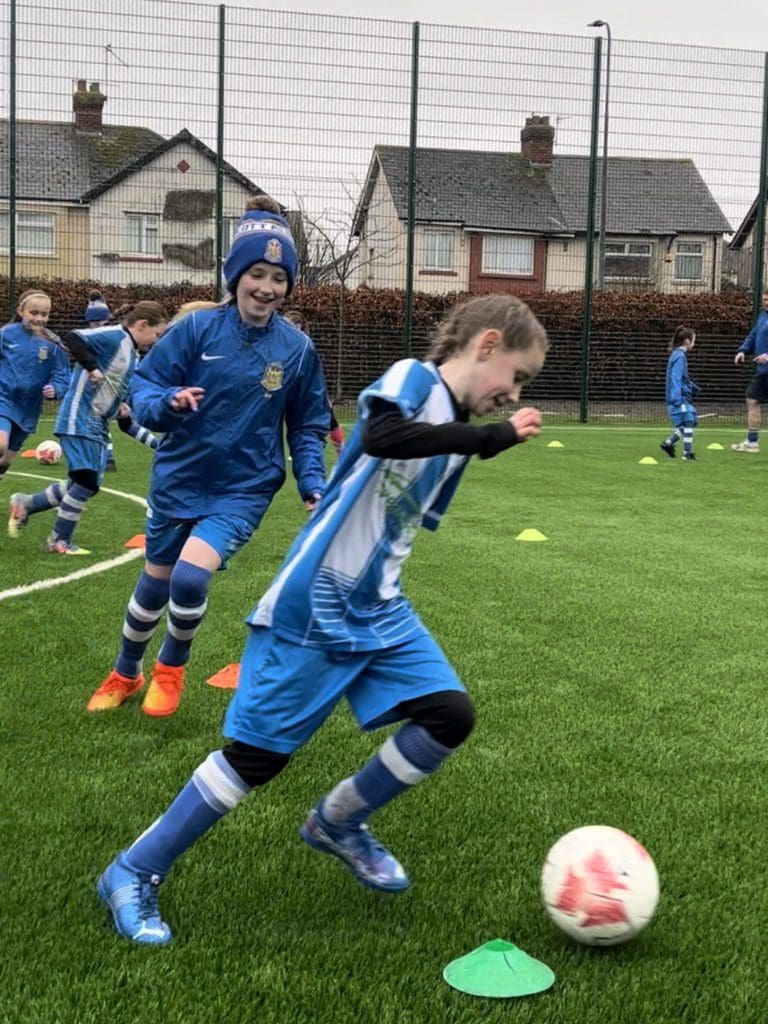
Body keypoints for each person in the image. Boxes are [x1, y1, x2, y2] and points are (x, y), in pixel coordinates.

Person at [95, 292, 548, 945]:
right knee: (254, 759)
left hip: (379, 605)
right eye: (518, 374)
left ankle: (336, 822)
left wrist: (480, 441)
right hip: (316, 602)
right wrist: (487, 439)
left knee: (450, 715)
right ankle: (132, 869)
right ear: (486, 346)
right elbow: (385, 436)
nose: (513, 393)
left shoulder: (456, 429)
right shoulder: (412, 379)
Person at [86, 195, 330, 720]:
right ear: (235, 274)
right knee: (154, 581)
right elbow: (145, 390)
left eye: (279, 277)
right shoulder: (194, 331)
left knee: (190, 578)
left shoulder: (297, 350)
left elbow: (308, 426)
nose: (266, 287)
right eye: (257, 273)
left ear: (289, 285)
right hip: (179, 476)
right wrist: (169, 406)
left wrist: (313, 483)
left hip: (244, 487)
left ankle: (170, 670)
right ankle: (126, 672)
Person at [8, 301, 168, 554]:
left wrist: (158, 445)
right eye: (157, 334)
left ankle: (27, 503)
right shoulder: (115, 336)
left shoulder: (132, 357)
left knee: (85, 484)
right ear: (142, 325)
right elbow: (74, 338)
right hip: (79, 418)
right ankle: (59, 540)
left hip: (97, 425)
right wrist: (92, 368)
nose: (156, 341)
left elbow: (126, 423)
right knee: (86, 481)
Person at [1, 290, 71, 510]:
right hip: (3, 398)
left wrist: (56, 388)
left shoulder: (52, 344)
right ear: (21, 311)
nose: (39, 318)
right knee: (0, 445)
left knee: (5, 462)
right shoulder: (7, 334)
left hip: (28, 409)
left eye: (44, 314)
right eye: (34, 313)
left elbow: (63, 375)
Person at [283, 307, 345, 456]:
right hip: (290, 391)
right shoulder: (282, 346)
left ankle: (342, 454)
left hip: (309, 392)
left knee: (328, 421)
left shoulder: (306, 347)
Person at [82, 291, 121, 471]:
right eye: (93, 320)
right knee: (97, 420)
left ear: (106, 319)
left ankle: (109, 458)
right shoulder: (87, 337)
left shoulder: (108, 337)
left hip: (107, 383)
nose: (97, 323)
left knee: (99, 419)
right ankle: (106, 457)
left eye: (100, 320)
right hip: (94, 384)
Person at [731, 289, 768, 453]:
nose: (766, 303)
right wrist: (742, 351)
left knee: (752, 400)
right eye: (764, 299)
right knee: (752, 400)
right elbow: (753, 336)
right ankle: (752, 442)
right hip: (763, 371)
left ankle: (752, 442)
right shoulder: (762, 316)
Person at [659, 326, 699, 461]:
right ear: (687, 341)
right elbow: (676, 378)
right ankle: (687, 453)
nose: (694, 343)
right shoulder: (680, 356)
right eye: (694, 340)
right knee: (688, 421)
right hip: (680, 397)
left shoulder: (677, 355)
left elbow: (681, 378)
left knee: (690, 422)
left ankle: (669, 443)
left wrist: (692, 387)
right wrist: (676, 398)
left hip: (681, 395)